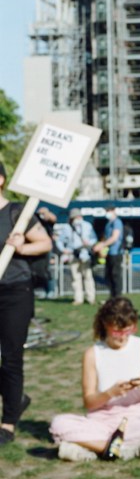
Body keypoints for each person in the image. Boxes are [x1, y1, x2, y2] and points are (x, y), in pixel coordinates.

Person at [50, 296, 140, 461]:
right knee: (59, 423)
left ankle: (94, 447)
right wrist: (110, 393)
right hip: (102, 420)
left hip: (137, 416)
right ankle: (122, 448)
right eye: (117, 332)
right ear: (105, 325)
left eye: (128, 331)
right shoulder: (93, 354)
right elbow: (89, 402)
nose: (123, 337)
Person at [0, 162, 52, 445]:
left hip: (14, 293)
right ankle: (15, 397)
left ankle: (8, 422)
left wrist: (21, 246)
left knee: (10, 358)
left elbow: (44, 243)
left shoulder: (16, 213)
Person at [57, 208, 98, 305]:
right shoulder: (67, 228)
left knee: (88, 276)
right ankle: (78, 298)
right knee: (76, 278)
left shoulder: (87, 226)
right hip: (73, 254)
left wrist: (89, 243)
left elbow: (94, 239)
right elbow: (59, 240)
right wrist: (63, 249)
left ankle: (91, 298)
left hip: (85, 254)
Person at [93, 204, 125, 297]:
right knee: (109, 276)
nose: (107, 213)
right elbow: (106, 237)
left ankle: (118, 297)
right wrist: (100, 246)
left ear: (114, 210)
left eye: (109, 210)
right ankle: (112, 297)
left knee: (116, 276)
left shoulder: (117, 222)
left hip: (116, 253)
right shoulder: (108, 224)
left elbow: (114, 237)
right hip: (109, 253)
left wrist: (102, 245)